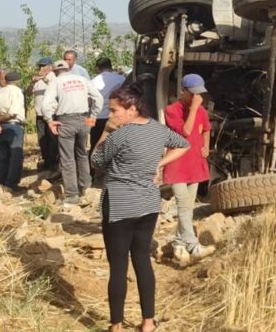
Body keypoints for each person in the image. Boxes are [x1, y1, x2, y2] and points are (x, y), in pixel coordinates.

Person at [92, 83, 190, 332]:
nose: (112, 115)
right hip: (148, 204)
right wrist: (160, 164)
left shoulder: (120, 135)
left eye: (114, 110)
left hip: (119, 205)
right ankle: (148, 322)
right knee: (142, 260)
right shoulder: (158, 129)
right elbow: (183, 144)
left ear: (131, 109)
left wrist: (105, 131)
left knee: (118, 266)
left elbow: (96, 161)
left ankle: (116, 325)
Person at [162, 73, 215, 266]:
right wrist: (193, 109)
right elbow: (184, 132)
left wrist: (207, 146)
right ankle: (193, 247)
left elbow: (206, 128)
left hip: (194, 163)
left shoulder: (201, 110)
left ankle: (178, 244)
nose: (196, 98)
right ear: (183, 91)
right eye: (192, 94)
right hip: (177, 164)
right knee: (183, 205)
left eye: (199, 94)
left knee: (187, 208)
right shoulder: (171, 110)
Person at [43, 60, 103, 206]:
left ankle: (72, 194)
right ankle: (86, 187)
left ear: (56, 71)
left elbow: (46, 103)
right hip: (83, 119)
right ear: (68, 68)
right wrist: (92, 117)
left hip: (65, 120)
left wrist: (50, 120)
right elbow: (98, 98)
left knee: (67, 158)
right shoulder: (82, 79)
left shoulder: (56, 82)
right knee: (82, 154)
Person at [0, 71, 26, 192]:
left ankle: (1, 180)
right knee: (15, 154)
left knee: (3, 155)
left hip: (0, 127)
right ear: (18, 81)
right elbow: (13, 113)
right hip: (13, 126)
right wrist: (0, 119)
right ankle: (11, 183)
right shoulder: (17, 92)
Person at [91, 57, 126, 152]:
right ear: (111, 67)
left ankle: (93, 165)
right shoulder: (121, 79)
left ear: (98, 68)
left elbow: (89, 101)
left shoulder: (93, 81)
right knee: (113, 145)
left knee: (95, 144)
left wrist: (88, 121)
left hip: (96, 118)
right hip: (114, 117)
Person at [31, 57, 59, 172]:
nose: (41, 68)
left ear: (50, 67)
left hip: (52, 114)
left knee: (53, 140)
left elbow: (56, 88)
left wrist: (43, 79)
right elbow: (28, 93)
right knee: (42, 140)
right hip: (39, 114)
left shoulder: (54, 77)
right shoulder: (37, 80)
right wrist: (32, 83)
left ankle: (53, 164)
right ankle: (47, 162)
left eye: (43, 66)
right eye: (39, 66)